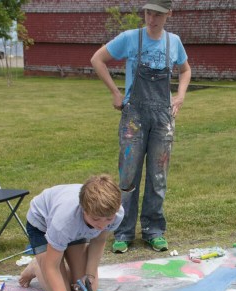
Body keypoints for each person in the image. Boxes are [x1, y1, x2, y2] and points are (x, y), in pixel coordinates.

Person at [90, 0, 191, 254]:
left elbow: (185, 70)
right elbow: (97, 59)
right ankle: (122, 232)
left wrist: (180, 95)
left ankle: (153, 231)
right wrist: (115, 92)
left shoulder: (173, 43)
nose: (151, 19)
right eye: (147, 13)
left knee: (158, 178)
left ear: (168, 14)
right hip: (133, 118)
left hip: (162, 121)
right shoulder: (130, 38)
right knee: (127, 177)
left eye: (157, 14)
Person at [19, 174, 124, 291]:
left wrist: (89, 275)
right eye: (96, 219)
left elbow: (99, 241)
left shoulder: (114, 213)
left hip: (76, 230)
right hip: (42, 226)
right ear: (84, 210)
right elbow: (52, 267)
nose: (102, 225)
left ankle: (54, 263)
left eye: (108, 219)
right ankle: (36, 266)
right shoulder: (65, 222)